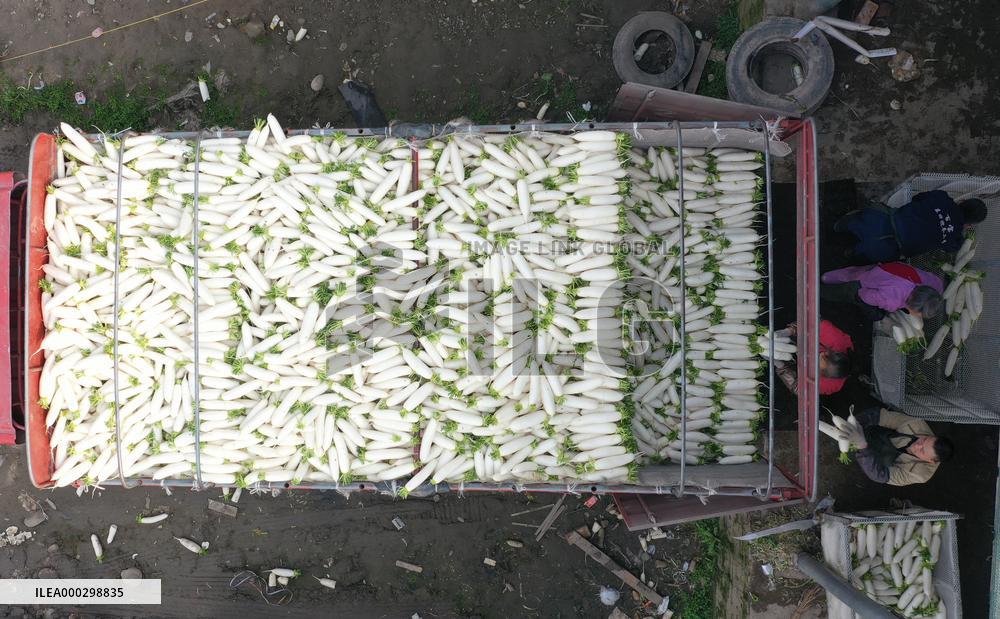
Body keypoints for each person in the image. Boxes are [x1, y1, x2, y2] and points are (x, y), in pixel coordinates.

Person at [834, 192, 987, 262]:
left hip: (880, 220)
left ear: (963, 201)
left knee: (855, 221)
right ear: (968, 225)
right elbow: (951, 249)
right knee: (860, 255)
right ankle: (849, 252)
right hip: (888, 248)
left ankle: (839, 226)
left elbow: (917, 198)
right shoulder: (955, 239)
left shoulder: (941, 197)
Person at [842, 406, 952, 485]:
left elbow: (881, 476)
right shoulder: (916, 424)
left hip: (884, 460)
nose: (917, 446)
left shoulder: (921, 474)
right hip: (883, 436)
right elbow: (881, 415)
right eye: (924, 440)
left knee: (866, 459)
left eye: (922, 451)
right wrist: (855, 424)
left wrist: (862, 446)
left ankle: (861, 452)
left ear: (930, 461)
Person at [821, 262, 944, 321]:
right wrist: (877, 314)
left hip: (878, 269)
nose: (917, 316)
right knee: (841, 291)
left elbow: (936, 284)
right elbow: (864, 295)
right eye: (919, 314)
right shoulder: (891, 301)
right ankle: (819, 291)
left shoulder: (929, 282)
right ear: (913, 306)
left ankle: (827, 277)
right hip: (862, 285)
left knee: (852, 273)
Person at [773, 319, 853, 396]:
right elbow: (811, 322)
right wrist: (790, 331)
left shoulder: (828, 385)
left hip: (800, 365)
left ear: (821, 375)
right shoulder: (836, 340)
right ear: (828, 352)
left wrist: (780, 365)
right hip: (810, 343)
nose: (813, 360)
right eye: (820, 357)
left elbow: (797, 388)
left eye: (816, 365)